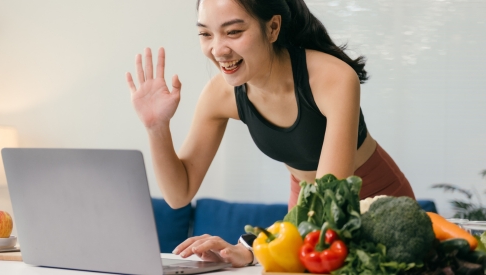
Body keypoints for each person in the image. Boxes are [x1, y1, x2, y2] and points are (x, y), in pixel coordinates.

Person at [125, 0, 416, 268]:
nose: (218, 49)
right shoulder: (220, 94)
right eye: (206, 34)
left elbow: (330, 198)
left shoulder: (332, 78)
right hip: (305, 212)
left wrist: (252, 249)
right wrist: (157, 127)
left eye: (234, 31)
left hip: (377, 206)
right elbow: (179, 194)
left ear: (273, 27)